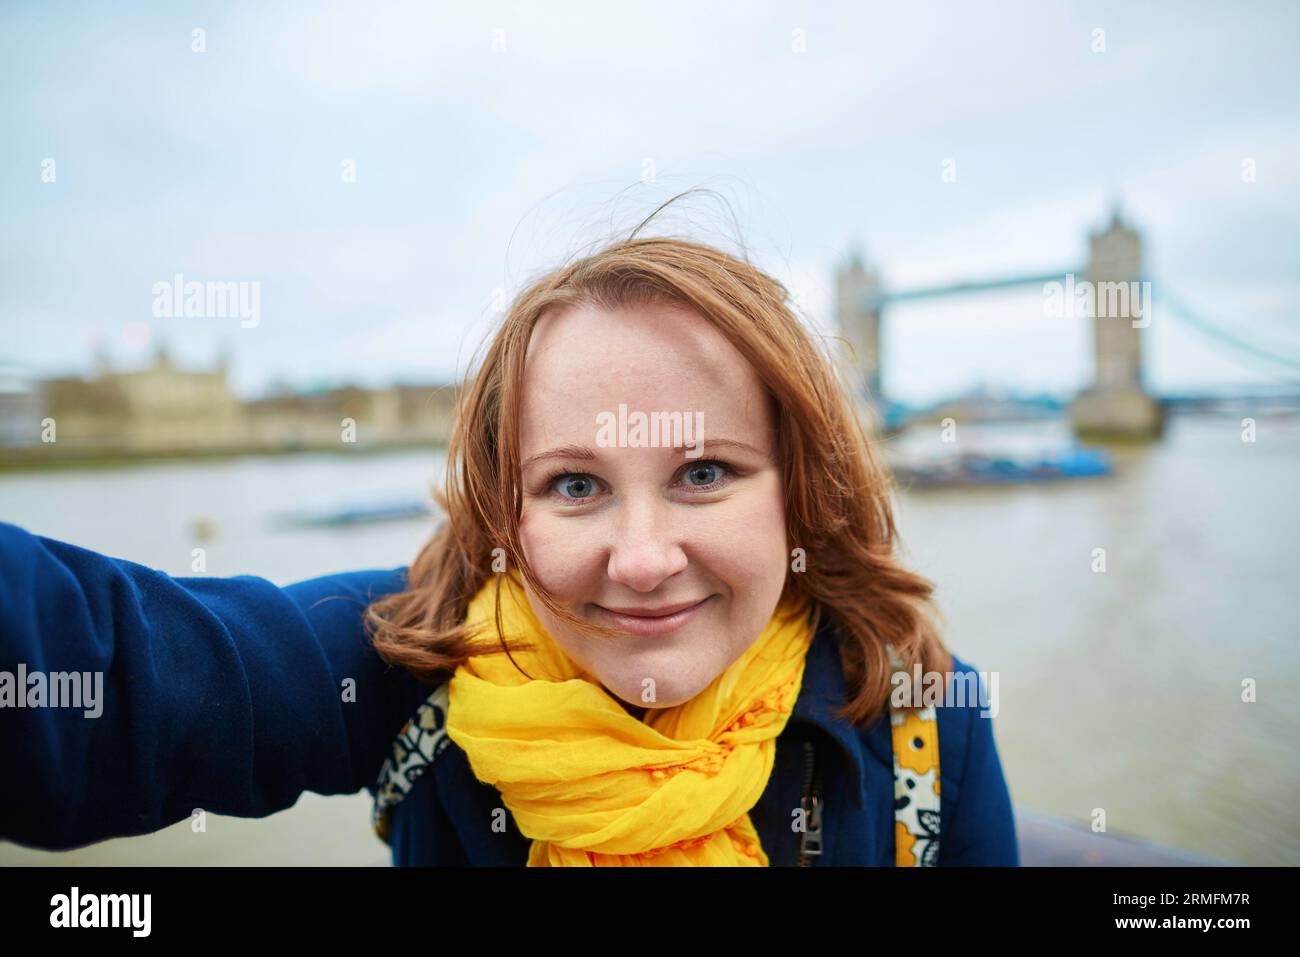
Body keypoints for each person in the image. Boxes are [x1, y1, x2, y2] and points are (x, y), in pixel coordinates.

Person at [0, 221, 1018, 866]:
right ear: (504, 515)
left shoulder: (920, 718)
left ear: (799, 489)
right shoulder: (412, 660)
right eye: (575, 484)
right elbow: (108, 683)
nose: (644, 557)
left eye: (704, 473)